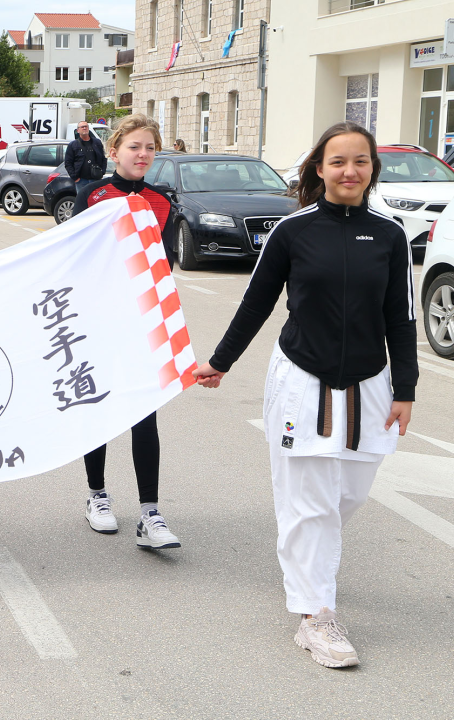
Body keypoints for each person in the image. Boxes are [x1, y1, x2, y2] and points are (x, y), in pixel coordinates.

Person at [191, 121, 416, 669]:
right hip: (302, 380)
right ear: (319, 168)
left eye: (359, 161)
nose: (349, 171)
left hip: (368, 383)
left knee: (349, 494)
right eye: (338, 161)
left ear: (371, 170)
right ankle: (317, 614)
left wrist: (405, 389)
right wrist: (220, 362)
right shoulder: (292, 231)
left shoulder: (389, 235)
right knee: (309, 499)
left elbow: (401, 319)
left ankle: (311, 568)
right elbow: (256, 303)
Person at [72, 113, 180, 549]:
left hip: (142, 323)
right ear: (114, 151)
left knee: (144, 414)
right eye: (134, 146)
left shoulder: (162, 202)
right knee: (98, 409)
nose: (143, 154)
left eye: (150, 147)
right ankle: (97, 496)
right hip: (97, 322)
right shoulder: (91, 194)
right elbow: (74, 259)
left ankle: (150, 514)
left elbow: (166, 265)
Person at [65, 120, 107, 191]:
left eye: (86, 126)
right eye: (82, 127)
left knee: (95, 201)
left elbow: (103, 158)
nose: (84, 128)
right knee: (83, 201)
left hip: (96, 180)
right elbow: (68, 162)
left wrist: (102, 172)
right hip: (81, 181)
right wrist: (75, 178)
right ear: (78, 130)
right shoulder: (73, 145)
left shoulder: (97, 142)